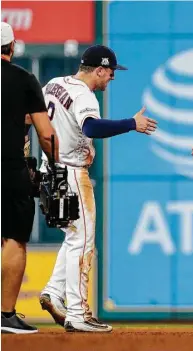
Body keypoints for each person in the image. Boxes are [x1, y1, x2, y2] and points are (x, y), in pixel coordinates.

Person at [38, 45, 158, 333]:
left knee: (73, 237)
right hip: (71, 173)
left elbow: (32, 117)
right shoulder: (84, 94)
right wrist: (132, 123)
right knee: (84, 240)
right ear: (100, 69)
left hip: (50, 169)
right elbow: (91, 128)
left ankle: (54, 292)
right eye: (111, 72)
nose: (113, 78)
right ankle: (78, 313)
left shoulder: (54, 84)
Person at [1, 22, 59, 334]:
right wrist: (56, 165)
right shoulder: (23, 79)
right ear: (11, 47)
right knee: (13, 238)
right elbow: (46, 134)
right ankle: (5, 315)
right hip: (8, 167)